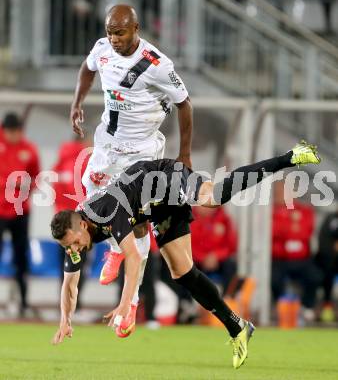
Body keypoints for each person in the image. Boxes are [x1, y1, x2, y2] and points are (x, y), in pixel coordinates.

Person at [50, 140, 320, 368]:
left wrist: (125, 303)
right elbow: (69, 283)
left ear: (82, 225)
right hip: (154, 207)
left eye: (73, 243)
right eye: (69, 247)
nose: (74, 249)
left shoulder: (105, 212)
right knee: (182, 272)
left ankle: (292, 156)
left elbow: (133, 257)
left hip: (163, 176)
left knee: (212, 197)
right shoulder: (76, 236)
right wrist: (65, 320)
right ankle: (238, 327)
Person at [70, 4, 192, 329]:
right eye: (110, 32)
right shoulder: (102, 48)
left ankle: (132, 305)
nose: (114, 39)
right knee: (91, 192)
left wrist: (186, 154)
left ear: (136, 28)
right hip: (109, 143)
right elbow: (87, 67)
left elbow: (184, 103)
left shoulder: (157, 64)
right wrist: (77, 102)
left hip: (141, 149)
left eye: (120, 33)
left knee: (138, 223)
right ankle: (114, 249)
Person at [0, 112, 40, 316]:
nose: (13, 135)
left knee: (20, 258)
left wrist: (26, 187)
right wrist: (9, 183)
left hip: (20, 210)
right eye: (10, 131)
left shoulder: (29, 149)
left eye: (16, 131)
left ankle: (23, 303)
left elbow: (35, 177)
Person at [271, 180, 322, 322]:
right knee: (274, 279)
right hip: (280, 259)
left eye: (284, 191)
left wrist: (285, 230)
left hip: (302, 259)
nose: (280, 195)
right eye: (278, 191)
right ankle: (281, 307)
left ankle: (307, 307)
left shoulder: (304, 211)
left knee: (315, 277)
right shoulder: (272, 212)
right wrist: (290, 228)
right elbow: (273, 231)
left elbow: (306, 232)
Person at [52, 135, 91, 309]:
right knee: (79, 262)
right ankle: (75, 305)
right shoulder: (87, 162)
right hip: (80, 223)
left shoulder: (61, 161)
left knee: (67, 263)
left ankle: (65, 304)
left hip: (63, 223)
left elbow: (56, 190)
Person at [191, 205, 237, 295]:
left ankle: (228, 298)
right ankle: (186, 300)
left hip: (218, 261)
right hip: (197, 260)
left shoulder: (224, 219)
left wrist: (216, 256)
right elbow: (187, 244)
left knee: (231, 264)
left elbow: (231, 245)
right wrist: (203, 258)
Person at [315, 206, 338, 319]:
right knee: (325, 276)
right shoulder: (331, 219)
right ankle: (326, 306)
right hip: (329, 262)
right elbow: (323, 243)